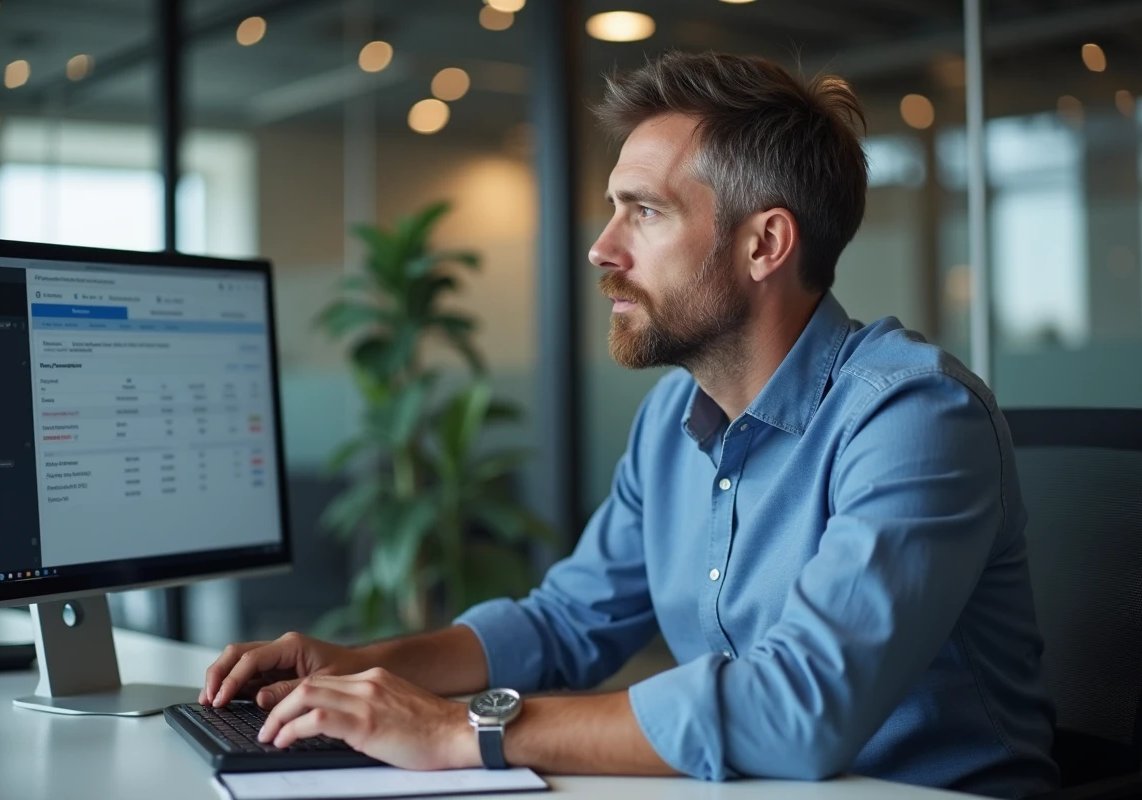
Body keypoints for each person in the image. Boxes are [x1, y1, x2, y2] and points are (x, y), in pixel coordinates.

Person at [202, 51, 1058, 798]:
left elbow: (800, 710)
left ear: (765, 245)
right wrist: (359, 666)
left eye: (644, 211)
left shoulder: (911, 416)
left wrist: (465, 732)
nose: (601, 248)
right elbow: (562, 625)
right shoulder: (669, 424)